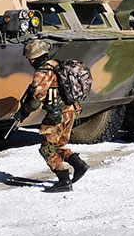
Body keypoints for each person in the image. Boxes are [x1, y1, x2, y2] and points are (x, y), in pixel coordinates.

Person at [22, 39, 89, 192]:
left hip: (56, 115)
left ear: (35, 58)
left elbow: (35, 102)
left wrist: (23, 112)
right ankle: (79, 165)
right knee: (58, 145)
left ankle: (63, 179)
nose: (30, 61)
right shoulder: (57, 65)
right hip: (70, 111)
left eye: (30, 59)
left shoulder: (42, 73)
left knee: (47, 149)